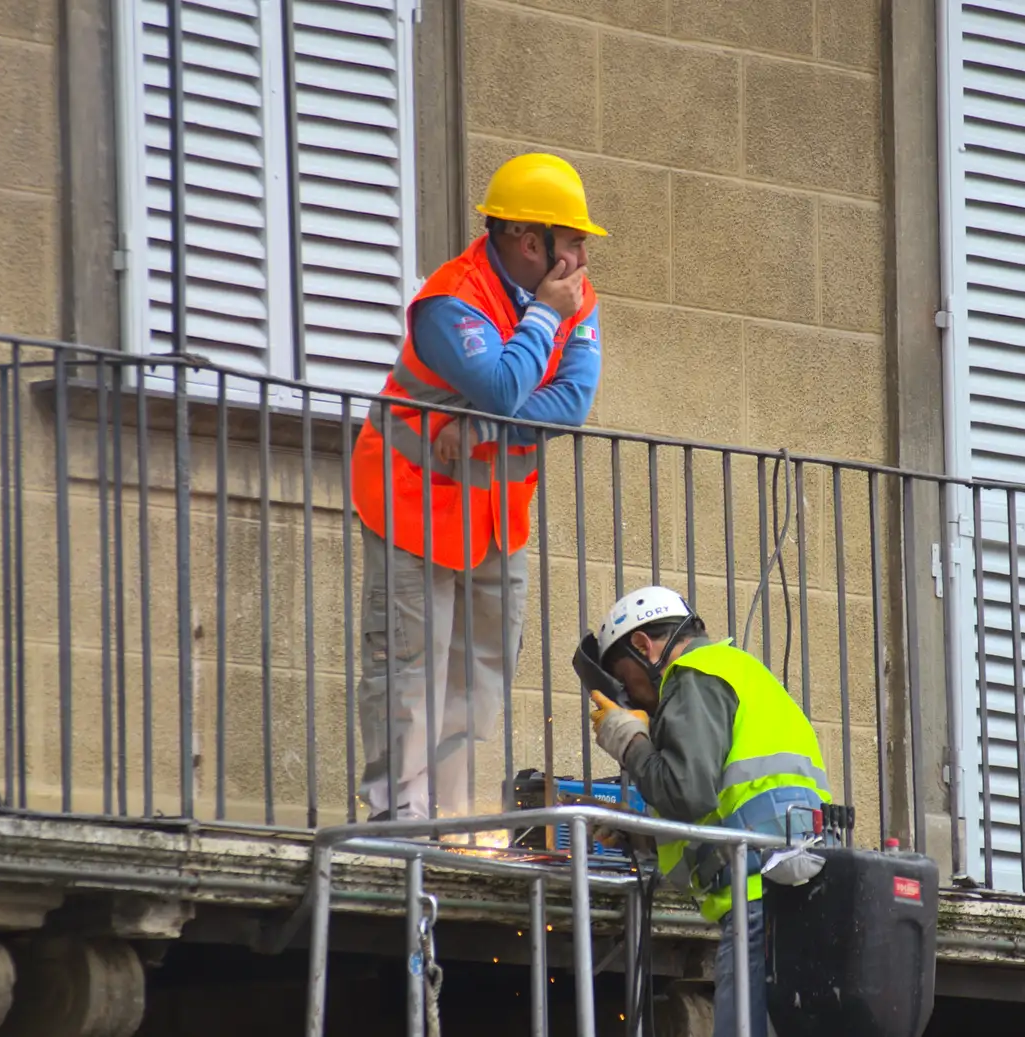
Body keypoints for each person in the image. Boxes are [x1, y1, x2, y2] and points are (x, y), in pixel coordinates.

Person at [350, 153, 606, 821]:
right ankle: (399, 813)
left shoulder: (578, 295)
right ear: (531, 240)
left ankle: (453, 812)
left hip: (495, 519)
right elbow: (496, 386)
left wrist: (482, 425)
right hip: (411, 503)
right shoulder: (449, 300)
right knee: (410, 668)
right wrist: (545, 319)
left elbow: (573, 403)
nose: (581, 254)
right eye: (572, 238)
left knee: (479, 674)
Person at [577, 586, 831, 1037]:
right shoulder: (740, 671)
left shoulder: (692, 673)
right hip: (787, 892)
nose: (633, 699)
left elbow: (686, 791)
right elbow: (720, 806)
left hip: (755, 896)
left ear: (643, 647)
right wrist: (639, 835)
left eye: (626, 679)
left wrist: (629, 741)